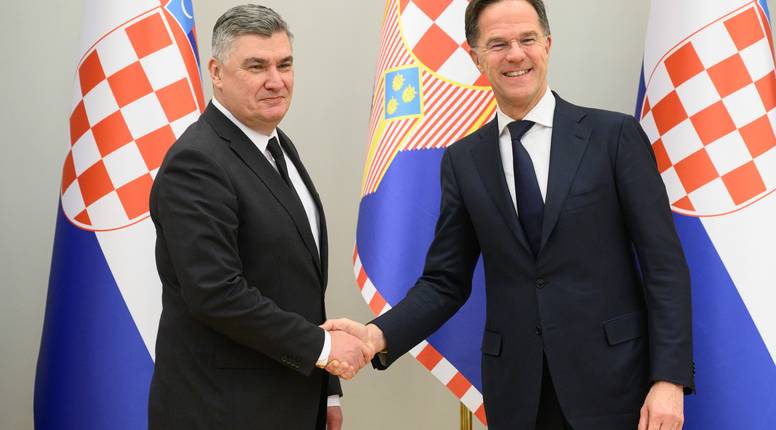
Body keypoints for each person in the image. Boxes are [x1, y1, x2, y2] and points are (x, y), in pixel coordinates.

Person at [324, 0, 694, 429]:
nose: (516, 54)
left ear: (548, 45)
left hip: (617, 387)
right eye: (498, 44)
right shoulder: (463, 161)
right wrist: (376, 335)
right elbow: (445, 282)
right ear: (475, 57)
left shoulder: (613, 138)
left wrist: (669, 379)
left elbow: (664, 266)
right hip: (518, 396)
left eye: (527, 39)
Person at [147, 5, 370, 430]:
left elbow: (296, 284)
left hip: (290, 400)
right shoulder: (197, 162)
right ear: (216, 72)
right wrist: (324, 349)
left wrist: (326, 390)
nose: (276, 80)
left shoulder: (275, 143)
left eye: (284, 64)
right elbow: (216, 293)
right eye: (256, 66)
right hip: (222, 411)